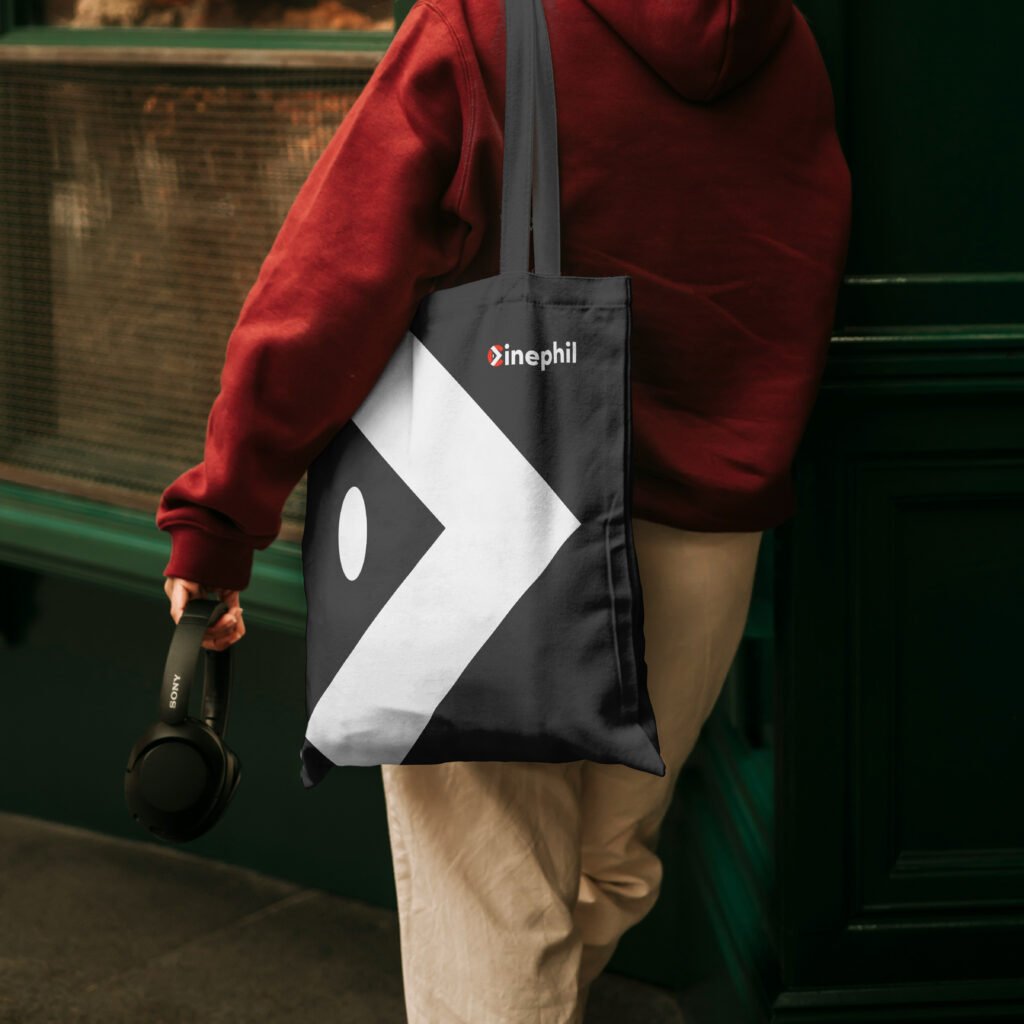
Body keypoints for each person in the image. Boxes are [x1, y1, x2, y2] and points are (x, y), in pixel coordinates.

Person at [157, 0, 851, 1019]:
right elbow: (787, 275)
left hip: (493, 522)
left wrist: (221, 515)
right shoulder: (781, 41)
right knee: (606, 868)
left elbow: (330, 284)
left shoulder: (483, 22)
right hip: (704, 537)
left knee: (496, 913)